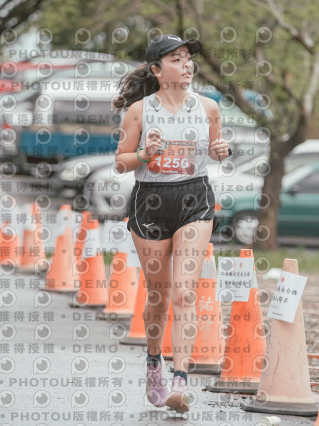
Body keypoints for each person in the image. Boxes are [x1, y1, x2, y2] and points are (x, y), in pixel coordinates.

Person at [113, 34, 232, 413]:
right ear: (156, 70)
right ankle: (154, 362)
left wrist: (221, 150)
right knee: (159, 295)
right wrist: (145, 154)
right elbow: (120, 162)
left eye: (187, 58)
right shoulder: (139, 112)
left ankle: (180, 378)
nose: (186, 65)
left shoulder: (209, 107)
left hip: (194, 199)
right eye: (176, 59)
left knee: (184, 293)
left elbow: (217, 148)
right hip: (150, 203)